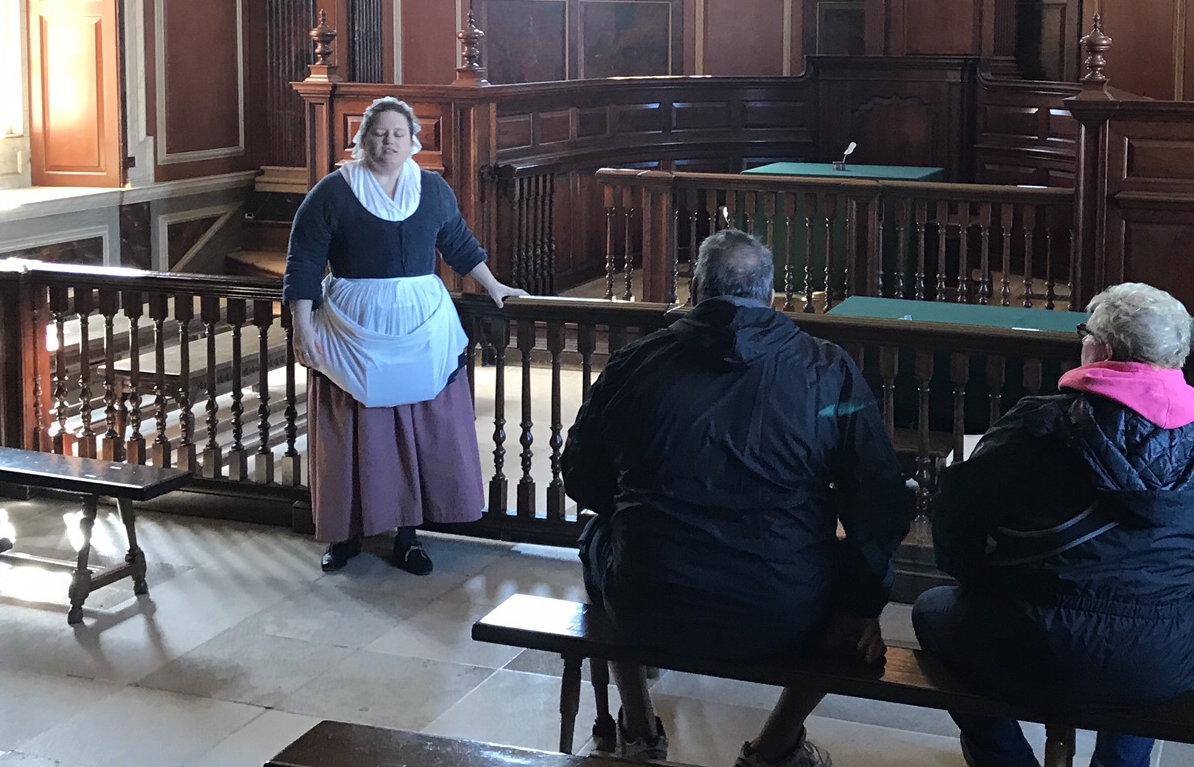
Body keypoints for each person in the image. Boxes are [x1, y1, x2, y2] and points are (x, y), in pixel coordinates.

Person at [562, 230, 916, 767]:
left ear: (696, 292)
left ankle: (638, 726)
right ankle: (776, 747)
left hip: (649, 601)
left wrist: (643, 513)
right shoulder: (827, 369)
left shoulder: (636, 363)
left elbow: (580, 476)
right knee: (853, 588)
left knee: (602, 537)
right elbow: (879, 497)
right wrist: (863, 602)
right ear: (771, 298)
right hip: (783, 609)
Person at [913, 283, 1194, 767]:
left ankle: (1003, 758)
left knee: (930, 611)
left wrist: (978, 579)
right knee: (1140, 647)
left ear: (1101, 350)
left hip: (1032, 645)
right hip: (1159, 660)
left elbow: (956, 522)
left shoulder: (1036, 425)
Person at [283, 95, 525, 575]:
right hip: (352, 325)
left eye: (398, 133)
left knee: (415, 430)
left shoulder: (431, 189)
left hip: (421, 322)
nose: (388, 142)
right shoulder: (333, 192)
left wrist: (493, 285)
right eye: (379, 133)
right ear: (362, 139)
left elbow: (458, 244)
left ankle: (409, 537)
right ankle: (344, 534)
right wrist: (302, 325)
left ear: (413, 140)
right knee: (353, 431)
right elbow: (304, 262)